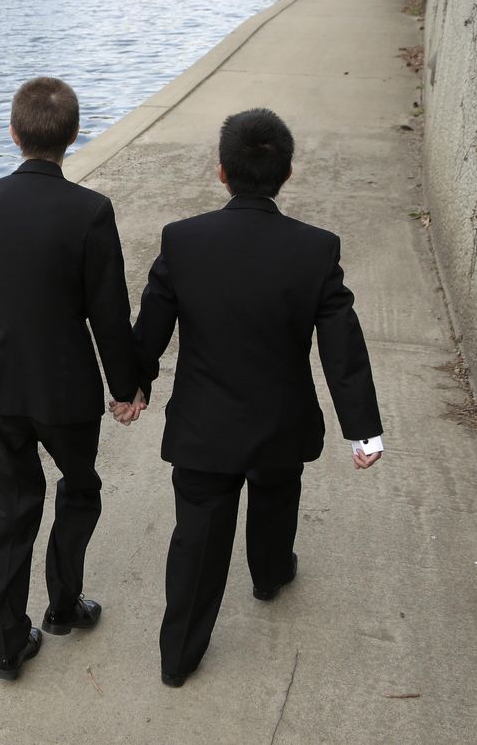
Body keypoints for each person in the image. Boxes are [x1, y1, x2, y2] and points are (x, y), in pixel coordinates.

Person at [113, 108, 383, 688]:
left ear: (221, 173)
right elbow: (343, 346)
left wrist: (133, 387)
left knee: (198, 537)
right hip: (281, 421)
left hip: (205, 427)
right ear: (286, 173)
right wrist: (362, 429)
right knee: (276, 495)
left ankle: (178, 657)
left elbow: (151, 327)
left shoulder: (183, 241)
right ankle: (269, 575)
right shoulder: (315, 250)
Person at [0, 76, 145, 681]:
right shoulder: (90, 211)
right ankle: (64, 606)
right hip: (66, 389)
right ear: (73, 136)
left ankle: (8, 645)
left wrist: (1, 337)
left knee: (8, 507)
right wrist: (125, 386)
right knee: (80, 487)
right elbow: (109, 311)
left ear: (14, 134)